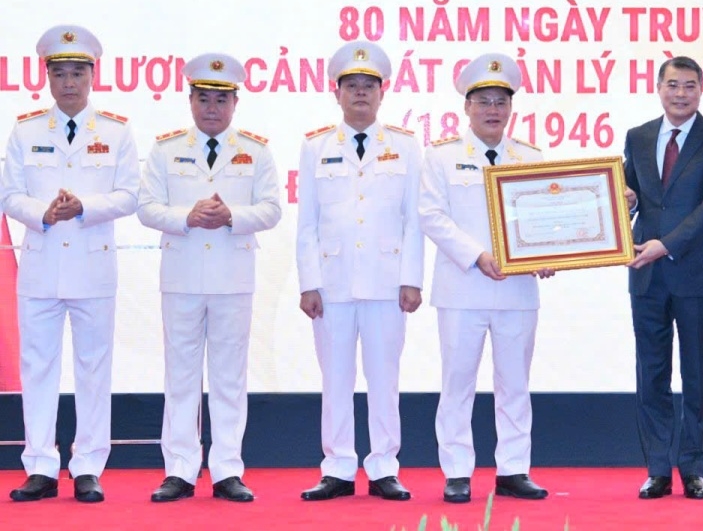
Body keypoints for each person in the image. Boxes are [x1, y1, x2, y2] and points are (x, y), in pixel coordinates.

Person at [1, 25, 139, 503]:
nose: (69, 83)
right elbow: (9, 194)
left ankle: (88, 466)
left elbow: (130, 195)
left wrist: (85, 207)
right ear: (47, 77)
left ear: (92, 76)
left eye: (77, 73)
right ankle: (40, 465)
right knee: (38, 368)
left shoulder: (116, 131)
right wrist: (43, 213)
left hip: (92, 266)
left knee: (93, 369)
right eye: (59, 73)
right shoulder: (26, 130)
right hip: (40, 266)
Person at [137, 53, 281, 503]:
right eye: (204, 98)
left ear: (235, 102)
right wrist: (188, 216)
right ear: (190, 101)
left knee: (228, 378)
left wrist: (232, 216)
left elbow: (272, 209)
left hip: (232, 278)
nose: (212, 108)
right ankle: (179, 469)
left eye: (221, 99)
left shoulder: (257, 151)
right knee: (180, 377)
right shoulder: (165, 149)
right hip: (181, 277)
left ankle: (226, 470)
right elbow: (146, 208)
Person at [419, 52, 552, 504]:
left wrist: (548, 252)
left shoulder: (529, 157)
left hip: (517, 289)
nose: (493, 110)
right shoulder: (442, 157)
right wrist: (476, 256)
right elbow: (431, 216)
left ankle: (513, 469)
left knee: (514, 384)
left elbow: (541, 219)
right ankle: (457, 471)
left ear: (511, 107)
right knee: (457, 383)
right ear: (467, 107)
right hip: (462, 288)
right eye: (484, 101)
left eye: (501, 101)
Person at [296, 41, 424, 502]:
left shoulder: (405, 146)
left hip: (387, 282)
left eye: (369, 85)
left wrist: (412, 279)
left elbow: (414, 220)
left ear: (382, 92)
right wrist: (309, 283)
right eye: (352, 86)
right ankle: (338, 467)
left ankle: (385, 466)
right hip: (332, 284)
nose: (361, 93)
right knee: (335, 379)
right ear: (337, 93)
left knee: (384, 379)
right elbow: (307, 223)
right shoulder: (316, 146)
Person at [622, 55, 703, 501]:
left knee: (695, 376)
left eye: (690, 85)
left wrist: (666, 244)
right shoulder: (638, 136)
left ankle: (693, 468)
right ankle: (656, 469)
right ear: (659, 88)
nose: (681, 93)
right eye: (673, 85)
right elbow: (630, 194)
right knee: (650, 374)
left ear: (701, 90)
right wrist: (626, 200)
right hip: (646, 274)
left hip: (695, 273)